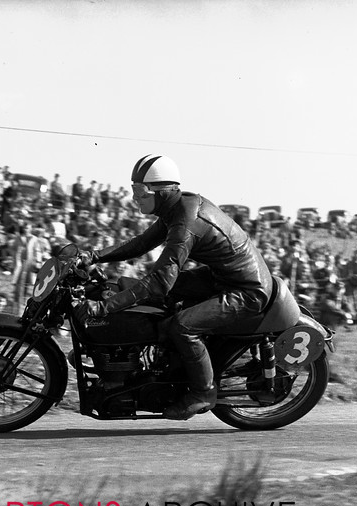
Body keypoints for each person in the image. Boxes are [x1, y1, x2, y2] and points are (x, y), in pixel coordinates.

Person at [76, 154, 274, 420]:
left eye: (140, 191)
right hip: (221, 277)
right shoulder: (176, 208)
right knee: (163, 299)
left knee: (182, 325)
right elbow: (141, 243)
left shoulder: (186, 221)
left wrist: (103, 308)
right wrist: (96, 255)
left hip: (247, 289)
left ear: (162, 191)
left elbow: (159, 282)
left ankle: (203, 393)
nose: (135, 197)